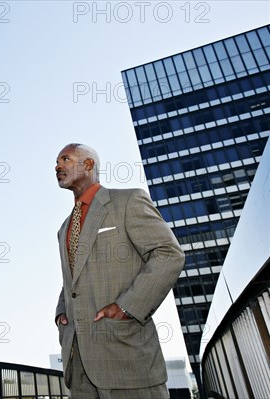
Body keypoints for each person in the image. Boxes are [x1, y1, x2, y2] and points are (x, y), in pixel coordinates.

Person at [54, 143, 185, 398]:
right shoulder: (64, 227)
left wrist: (127, 307)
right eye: (56, 163)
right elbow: (72, 279)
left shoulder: (128, 201)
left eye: (65, 159)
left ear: (88, 164)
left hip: (126, 357)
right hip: (78, 364)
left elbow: (168, 254)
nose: (58, 167)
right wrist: (61, 313)